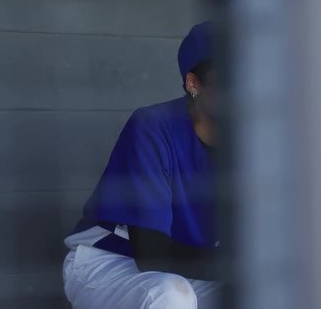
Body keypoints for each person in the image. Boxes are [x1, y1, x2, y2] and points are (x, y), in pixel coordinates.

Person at [62, 21, 222, 309]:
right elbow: (151, 254)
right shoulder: (153, 127)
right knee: (171, 295)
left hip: (197, 268)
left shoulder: (257, 140)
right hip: (109, 262)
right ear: (194, 84)